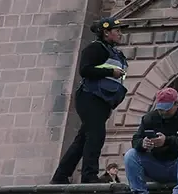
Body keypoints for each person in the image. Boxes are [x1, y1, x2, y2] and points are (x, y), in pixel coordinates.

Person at [51, 18, 129, 184]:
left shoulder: (113, 51)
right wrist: (110, 72)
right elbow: (85, 70)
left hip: (103, 100)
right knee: (96, 135)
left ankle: (60, 176)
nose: (120, 34)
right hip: (90, 97)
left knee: (83, 139)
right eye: (117, 31)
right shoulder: (96, 48)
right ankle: (89, 176)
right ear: (106, 32)